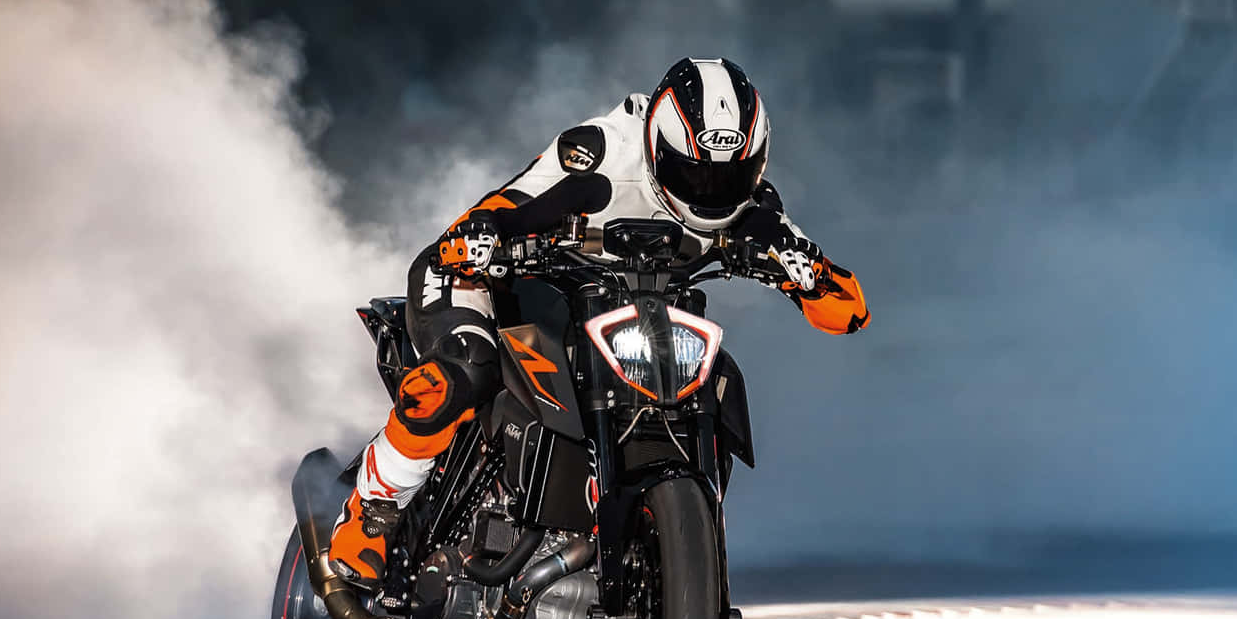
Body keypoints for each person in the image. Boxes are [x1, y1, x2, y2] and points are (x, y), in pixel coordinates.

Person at [327, 57, 870, 587]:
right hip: (480, 278)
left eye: (728, 178)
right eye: (693, 171)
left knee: (715, 374)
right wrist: (491, 234)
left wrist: (808, 273)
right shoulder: (599, 153)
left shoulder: (754, 206)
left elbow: (849, 312)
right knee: (468, 366)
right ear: (658, 145)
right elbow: (490, 213)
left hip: (630, 313)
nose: (709, 189)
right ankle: (373, 511)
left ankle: (664, 552)